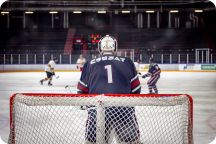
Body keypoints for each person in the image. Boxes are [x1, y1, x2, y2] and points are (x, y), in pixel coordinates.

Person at [77, 35, 141, 143]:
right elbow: (136, 89)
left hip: (97, 111)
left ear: (100, 48)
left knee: (93, 141)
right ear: (114, 47)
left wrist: (87, 105)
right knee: (131, 142)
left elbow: (81, 90)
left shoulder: (89, 64)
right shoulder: (127, 62)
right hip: (123, 110)